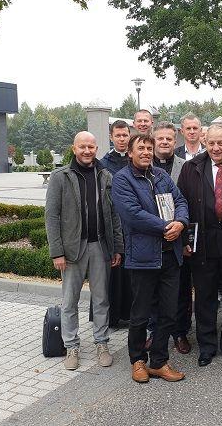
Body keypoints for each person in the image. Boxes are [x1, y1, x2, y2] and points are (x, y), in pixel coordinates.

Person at [111, 133, 189, 383]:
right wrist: (167, 227)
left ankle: (158, 361)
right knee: (141, 314)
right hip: (143, 259)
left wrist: (181, 222)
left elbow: (180, 200)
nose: (145, 152)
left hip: (169, 258)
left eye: (148, 148)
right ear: (130, 153)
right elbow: (132, 214)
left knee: (168, 313)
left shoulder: (161, 176)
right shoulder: (122, 180)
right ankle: (137, 361)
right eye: (140, 148)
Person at [46, 131, 124, 371]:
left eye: (91, 146)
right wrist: (56, 252)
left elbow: (113, 215)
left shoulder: (105, 175)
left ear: (96, 148)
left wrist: (117, 247)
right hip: (71, 250)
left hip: (100, 247)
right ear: (74, 148)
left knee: (101, 299)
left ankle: (102, 343)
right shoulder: (60, 177)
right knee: (70, 301)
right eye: (82, 147)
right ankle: (72, 346)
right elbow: (52, 216)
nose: (87, 151)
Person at [176, 125, 222, 367]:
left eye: (221, 143)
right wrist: (185, 239)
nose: (216, 148)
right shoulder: (191, 168)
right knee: (205, 297)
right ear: (205, 142)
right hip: (203, 244)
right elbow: (181, 205)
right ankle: (207, 346)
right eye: (212, 143)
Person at [152, 122, 192, 353]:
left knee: (181, 289)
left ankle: (180, 333)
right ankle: (154, 331)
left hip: (178, 237)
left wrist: (185, 238)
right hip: (152, 237)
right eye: (161, 139)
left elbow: (188, 202)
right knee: (152, 290)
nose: (165, 142)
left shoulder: (185, 166)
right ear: (154, 140)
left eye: (169, 138)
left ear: (175, 141)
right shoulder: (143, 165)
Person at [100, 120, 134, 327]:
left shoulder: (135, 159)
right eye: (118, 135)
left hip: (132, 224)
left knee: (131, 272)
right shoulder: (103, 164)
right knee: (113, 271)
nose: (122, 139)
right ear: (111, 137)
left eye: (125, 135)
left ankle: (131, 314)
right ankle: (111, 317)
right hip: (113, 224)